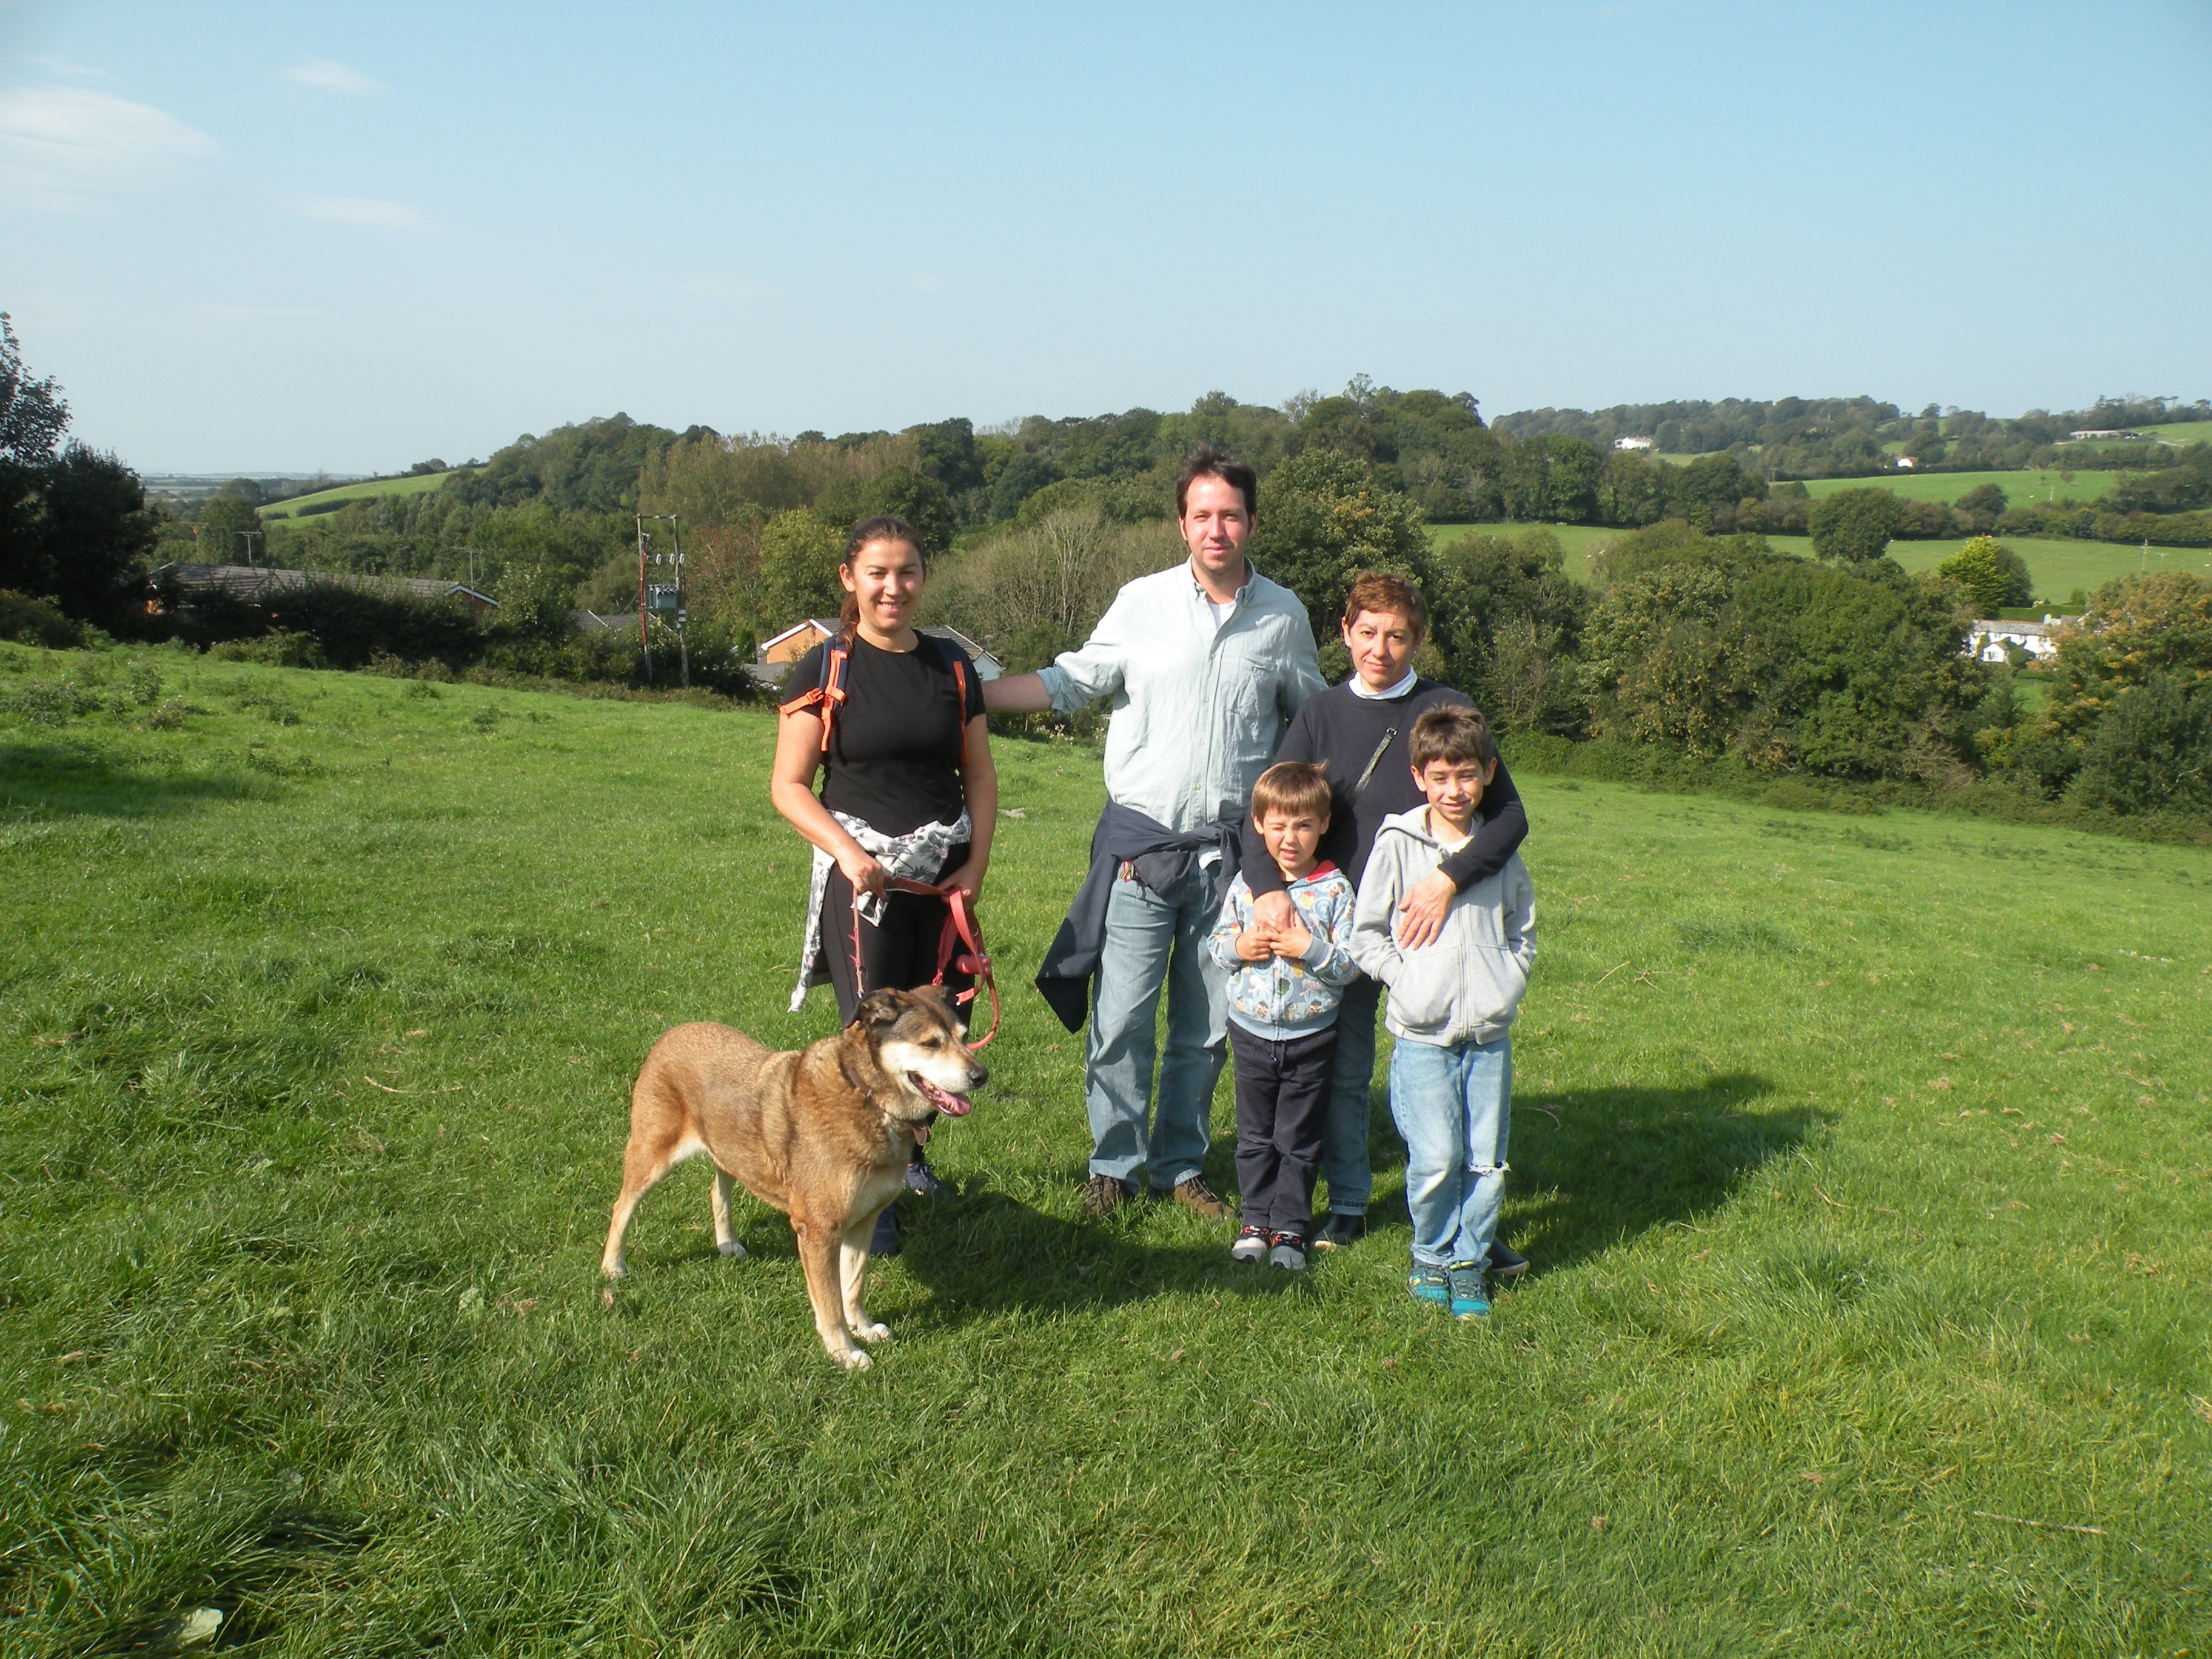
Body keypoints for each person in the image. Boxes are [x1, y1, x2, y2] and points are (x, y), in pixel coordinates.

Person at [984, 447, 1325, 1218]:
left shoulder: (1284, 616)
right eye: (1201, 514)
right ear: (1181, 524)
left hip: (1235, 861)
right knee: (1123, 1018)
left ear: (1251, 523)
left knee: (1205, 1031)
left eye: (1230, 514)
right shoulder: (1140, 602)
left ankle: (1179, 1166)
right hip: (1143, 853)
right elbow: (1072, 681)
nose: (1217, 528)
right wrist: (965, 694)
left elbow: (1312, 722)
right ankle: (1113, 1162)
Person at [1240, 571, 1530, 1270]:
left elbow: (1513, 816)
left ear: (1418, 639)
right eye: (1367, 632)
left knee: (1441, 1078)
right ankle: (1344, 1202)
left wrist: (1445, 878)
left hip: (1428, 929)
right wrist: (1262, 889)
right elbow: (1269, 808)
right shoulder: (1318, 713)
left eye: (1397, 634)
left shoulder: (1447, 707)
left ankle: (1462, 1227)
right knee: (1340, 1074)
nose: (1381, 647)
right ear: (1345, 633)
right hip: (1340, 927)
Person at [770, 515, 996, 1255]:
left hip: (942, 880)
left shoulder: (952, 667)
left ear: (923, 578)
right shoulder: (825, 668)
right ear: (850, 579)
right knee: (873, 1037)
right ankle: (866, 1187)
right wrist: (846, 853)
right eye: (877, 573)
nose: (893, 587)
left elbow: (981, 775)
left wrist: (974, 867)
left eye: (906, 572)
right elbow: (790, 787)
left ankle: (910, 1159)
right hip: (863, 880)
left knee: (936, 1028)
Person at [1349, 705, 1535, 1320]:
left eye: (1467, 775)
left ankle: (1469, 1265)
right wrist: (1407, 983)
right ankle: (1429, 1254)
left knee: (1486, 1161)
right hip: (1422, 1034)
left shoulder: (1499, 849)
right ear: (1419, 777)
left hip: (1488, 1035)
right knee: (1435, 1157)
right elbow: (1366, 933)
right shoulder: (1399, 845)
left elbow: (1523, 931)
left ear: (1489, 773)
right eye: (1441, 777)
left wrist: (1507, 983)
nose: (1454, 790)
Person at [1207, 761, 1359, 1271]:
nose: (1290, 838)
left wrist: (1309, 948)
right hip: (1249, 1031)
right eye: (1278, 826)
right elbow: (1215, 947)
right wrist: (1241, 946)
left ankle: (1290, 1228)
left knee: (1297, 1137)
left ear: (1324, 825)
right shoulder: (1247, 887)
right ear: (1259, 826)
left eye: (1303, 826)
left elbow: (1350, 964)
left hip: (1311, 1036)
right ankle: (1255, 1220)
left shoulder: (1335, 889)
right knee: (1253, 1135)